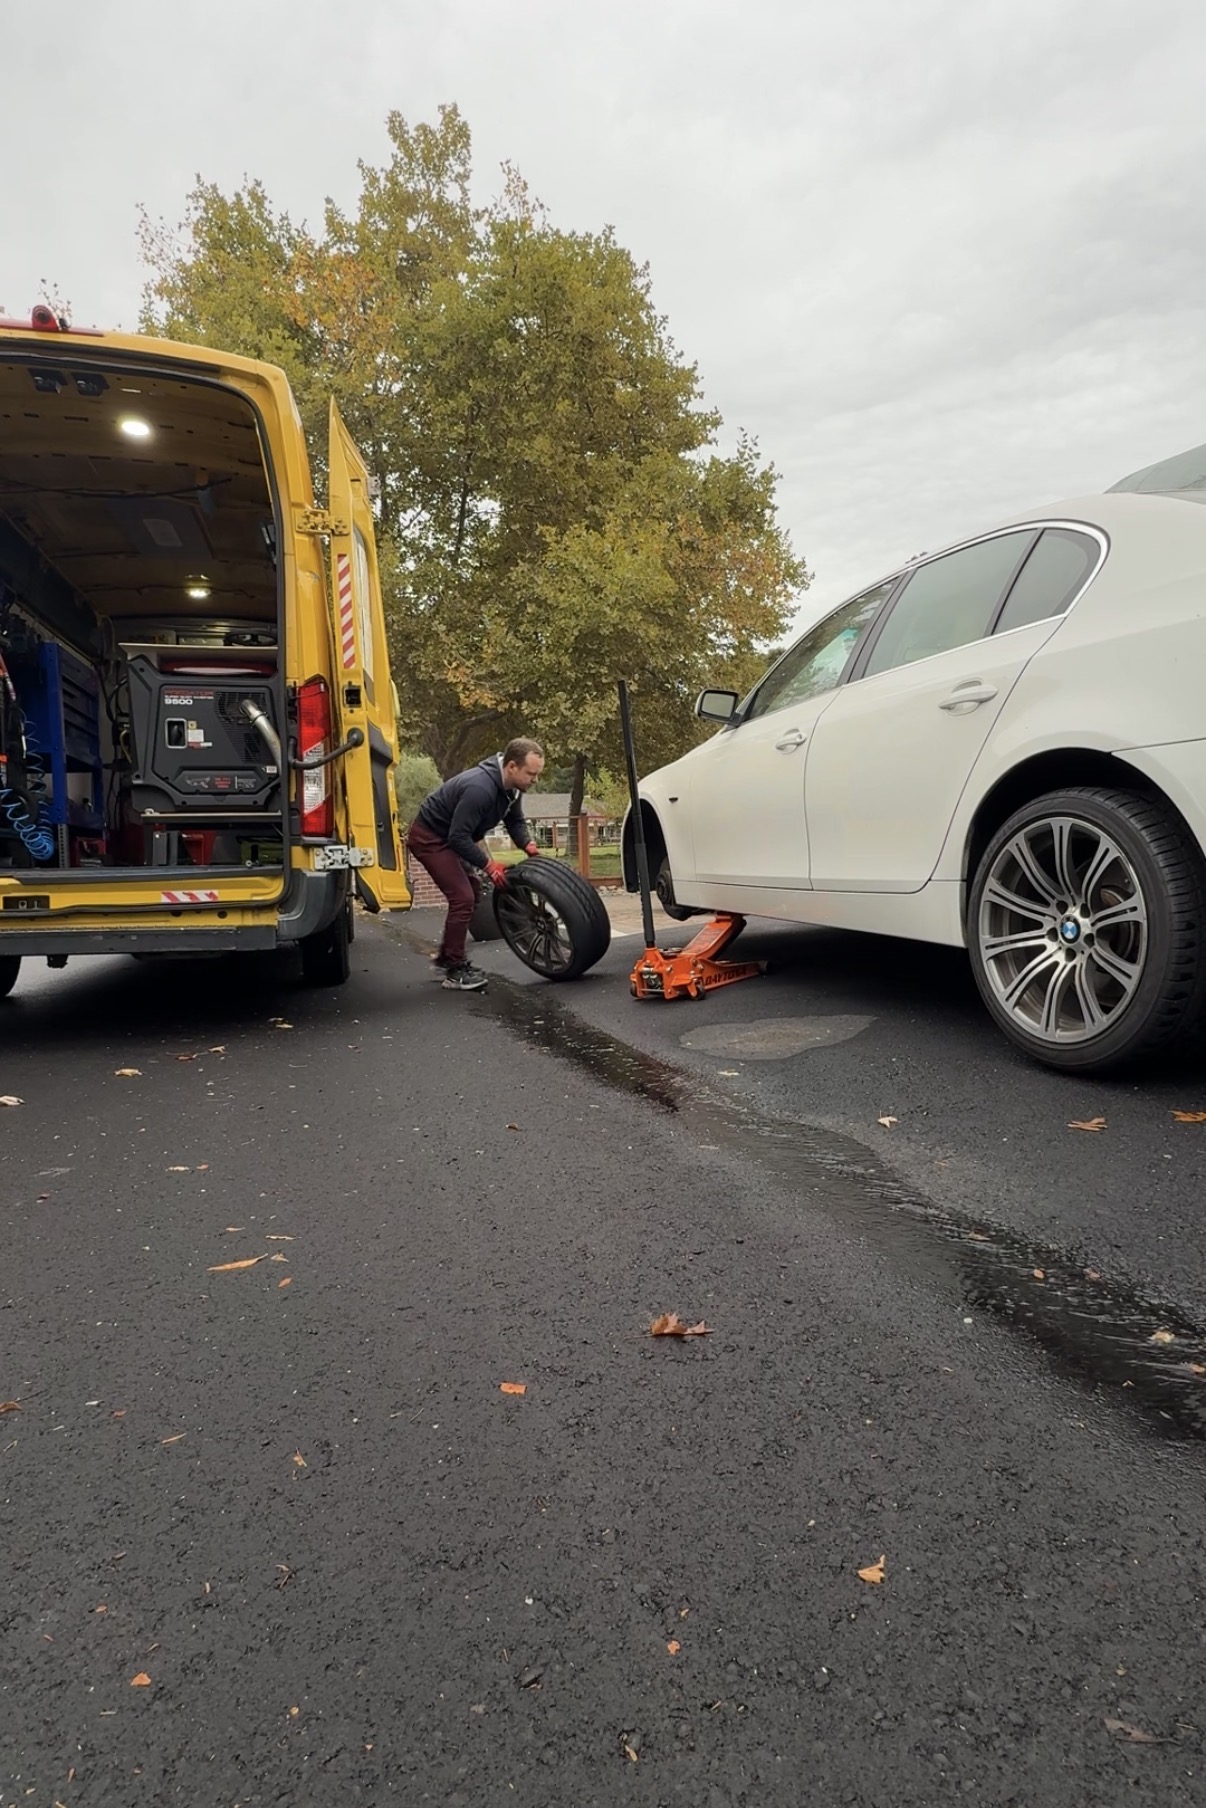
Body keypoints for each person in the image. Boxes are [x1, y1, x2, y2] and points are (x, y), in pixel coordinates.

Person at [407, 738, 545, 990]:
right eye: (531, 774)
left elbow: (515, 821)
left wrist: (528, 845)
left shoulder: (513, 789)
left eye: (537, 774)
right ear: (512, 766)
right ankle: (455, 970)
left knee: (470, 890)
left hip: (453, 836)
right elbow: (458, 837)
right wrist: (489, 865)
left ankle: (447, 957)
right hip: (430, 838)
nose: (534, 780)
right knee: (463, 897)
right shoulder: (479, 788)